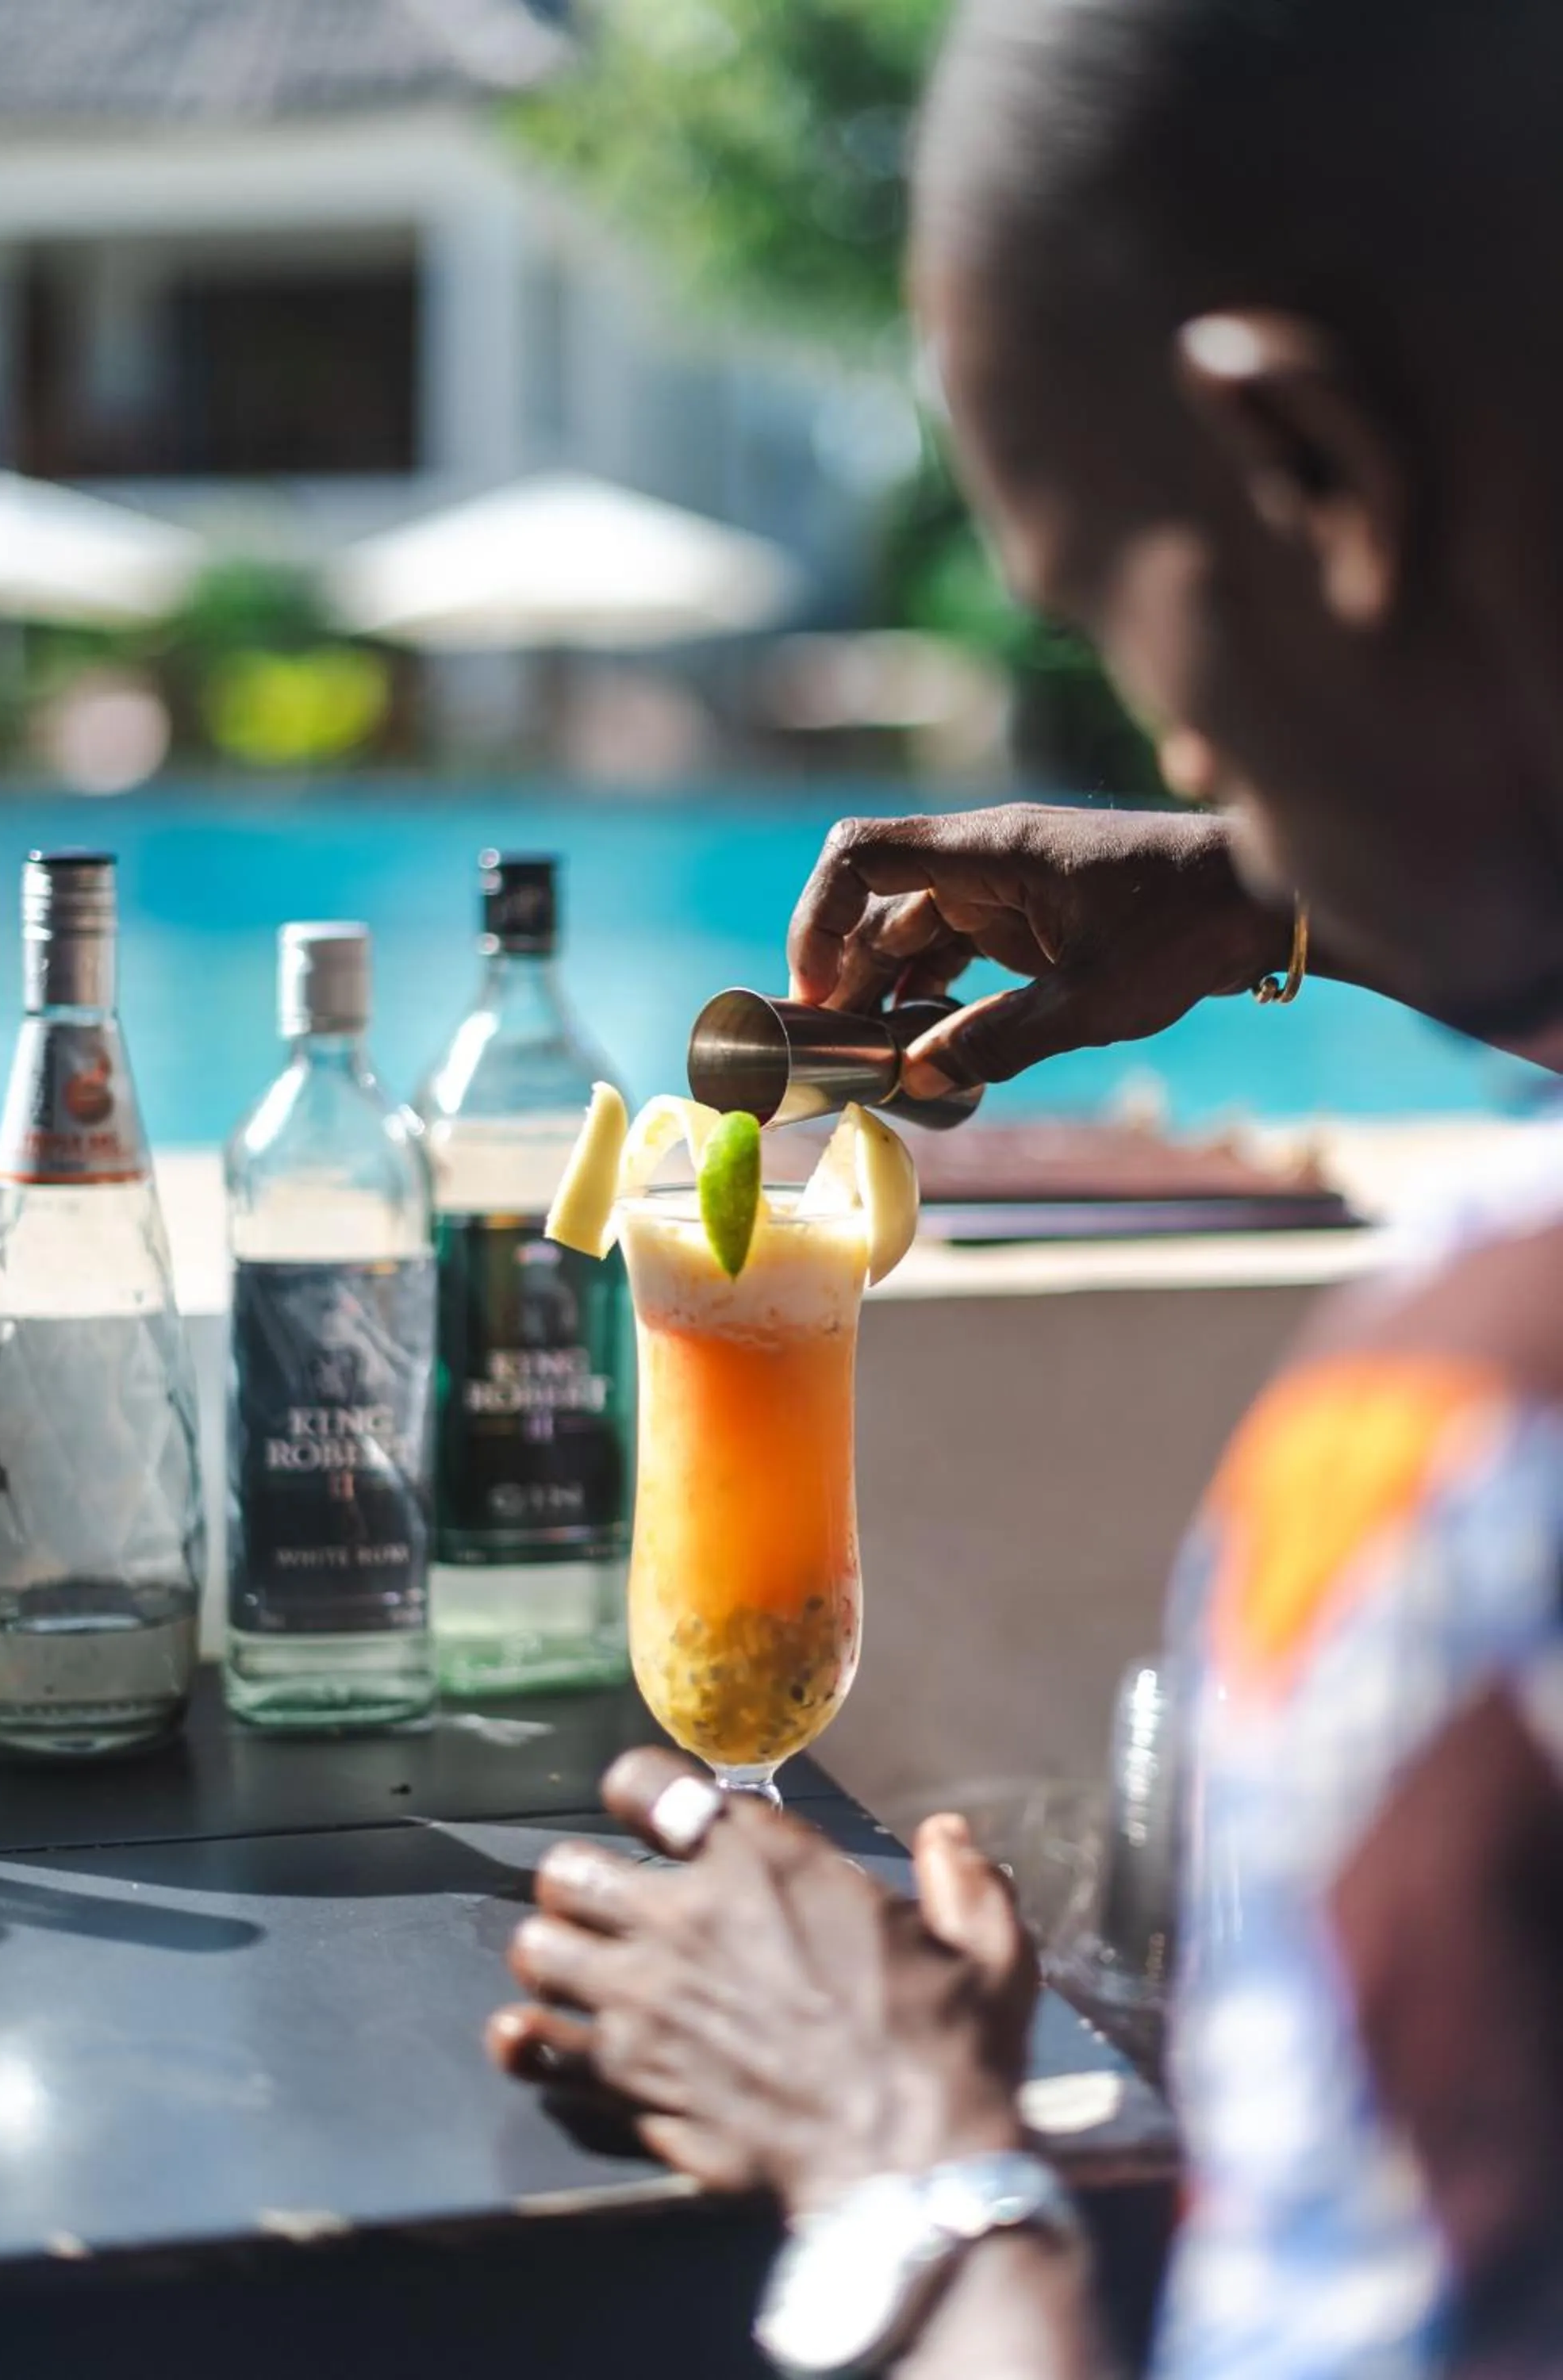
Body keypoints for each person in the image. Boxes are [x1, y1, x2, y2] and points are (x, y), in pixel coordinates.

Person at [490, 0, 1563, 2370]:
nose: (1176, 743)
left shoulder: (1482, 1450)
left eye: (1107, 610)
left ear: (1311, 468)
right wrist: (1269, 891)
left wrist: (902, 2152)